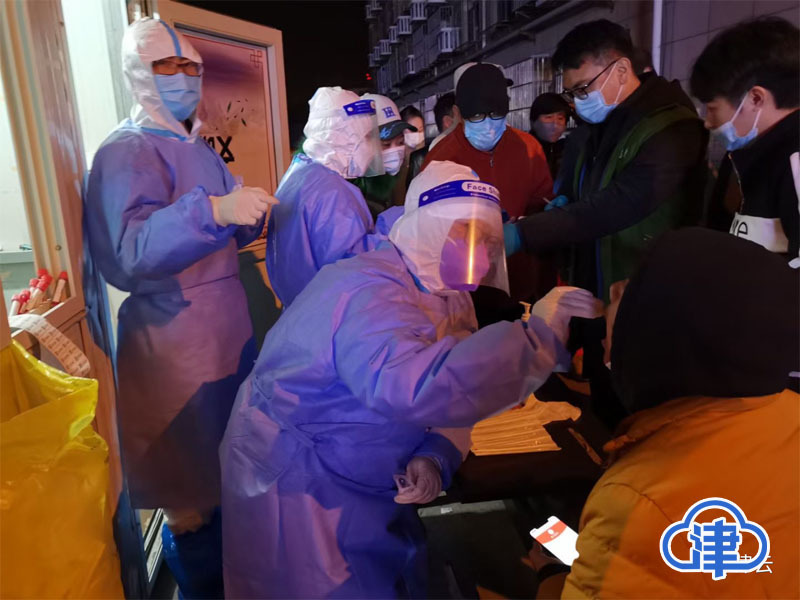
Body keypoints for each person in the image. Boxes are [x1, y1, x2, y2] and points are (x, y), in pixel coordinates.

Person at [220, 160, 602, 599]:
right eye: (464, 236)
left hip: (363, 470)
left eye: (487, 241)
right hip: (297, 481)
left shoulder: (442, 288)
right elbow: (417, 388)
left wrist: (437, 452)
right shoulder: (368, 288)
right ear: (425, 228)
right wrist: (536, 339)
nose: (478, 253)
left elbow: (456, 382)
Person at [85, 18, 276, 598]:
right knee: (189, 501)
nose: (185, 77)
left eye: (192, 66)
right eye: (168, 67)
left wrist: (250, 215)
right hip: (173, 343)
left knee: (228, 478)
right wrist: (211, 212)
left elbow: (223, 229)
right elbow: (127, 252)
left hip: (225, 332)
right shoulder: (125, 151)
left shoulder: (194, 146)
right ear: (138, 73)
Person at [530, 228, 799, 598]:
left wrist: (553, 574)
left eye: (632, 290)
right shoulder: (785, 409)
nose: (613, 291)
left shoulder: (641, 503)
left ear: (669, 335)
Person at [502, 19, 707, 428]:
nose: (577, 103)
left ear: (620, 70)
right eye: (572, 93)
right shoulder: (600, 127)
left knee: (644, 417)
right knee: (606, 405)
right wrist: (564, 201)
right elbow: (586, 194)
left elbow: (618, 204)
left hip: (646, 301)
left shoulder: (672, 129)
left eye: (583, 89)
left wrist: (525, 233)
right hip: (597, 301)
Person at [424, 63, 555, 324]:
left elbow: (540, 203)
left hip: (521, 285)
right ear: (458, 113)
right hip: (467, 295)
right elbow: (430, 234)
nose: (488, 125)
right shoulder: (441, 160)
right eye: (476, 116)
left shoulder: (528, 148)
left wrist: (543, 214)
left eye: (496, 114)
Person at [266, 87, 401, 308]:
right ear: (343, 137)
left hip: (302, 309)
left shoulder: (301, 174)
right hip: (329, 311)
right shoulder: (331, 193)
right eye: (367, 137)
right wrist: (396, 223)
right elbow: (354, 267)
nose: (373, 148)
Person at [690, 17, 799, 265]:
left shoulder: (795, 160)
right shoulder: (748, 151)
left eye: (712, 108)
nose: (708, 122)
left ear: (755, 99)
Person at [352, 94, 418, 219]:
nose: (395, 151)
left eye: (400, 142)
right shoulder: (350, 191)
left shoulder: (400, 176)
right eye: (386, 144)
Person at [529, 92, 571, 180]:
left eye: (560, 118)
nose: (555, 125)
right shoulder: (524, 150)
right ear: (533, 121)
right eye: (548, 117)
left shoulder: (565, 149)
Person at [400, 104, 427, 181]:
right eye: (413, 130)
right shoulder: (397, 163)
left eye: (421, 130)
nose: (417, 134)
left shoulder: (428, 157)